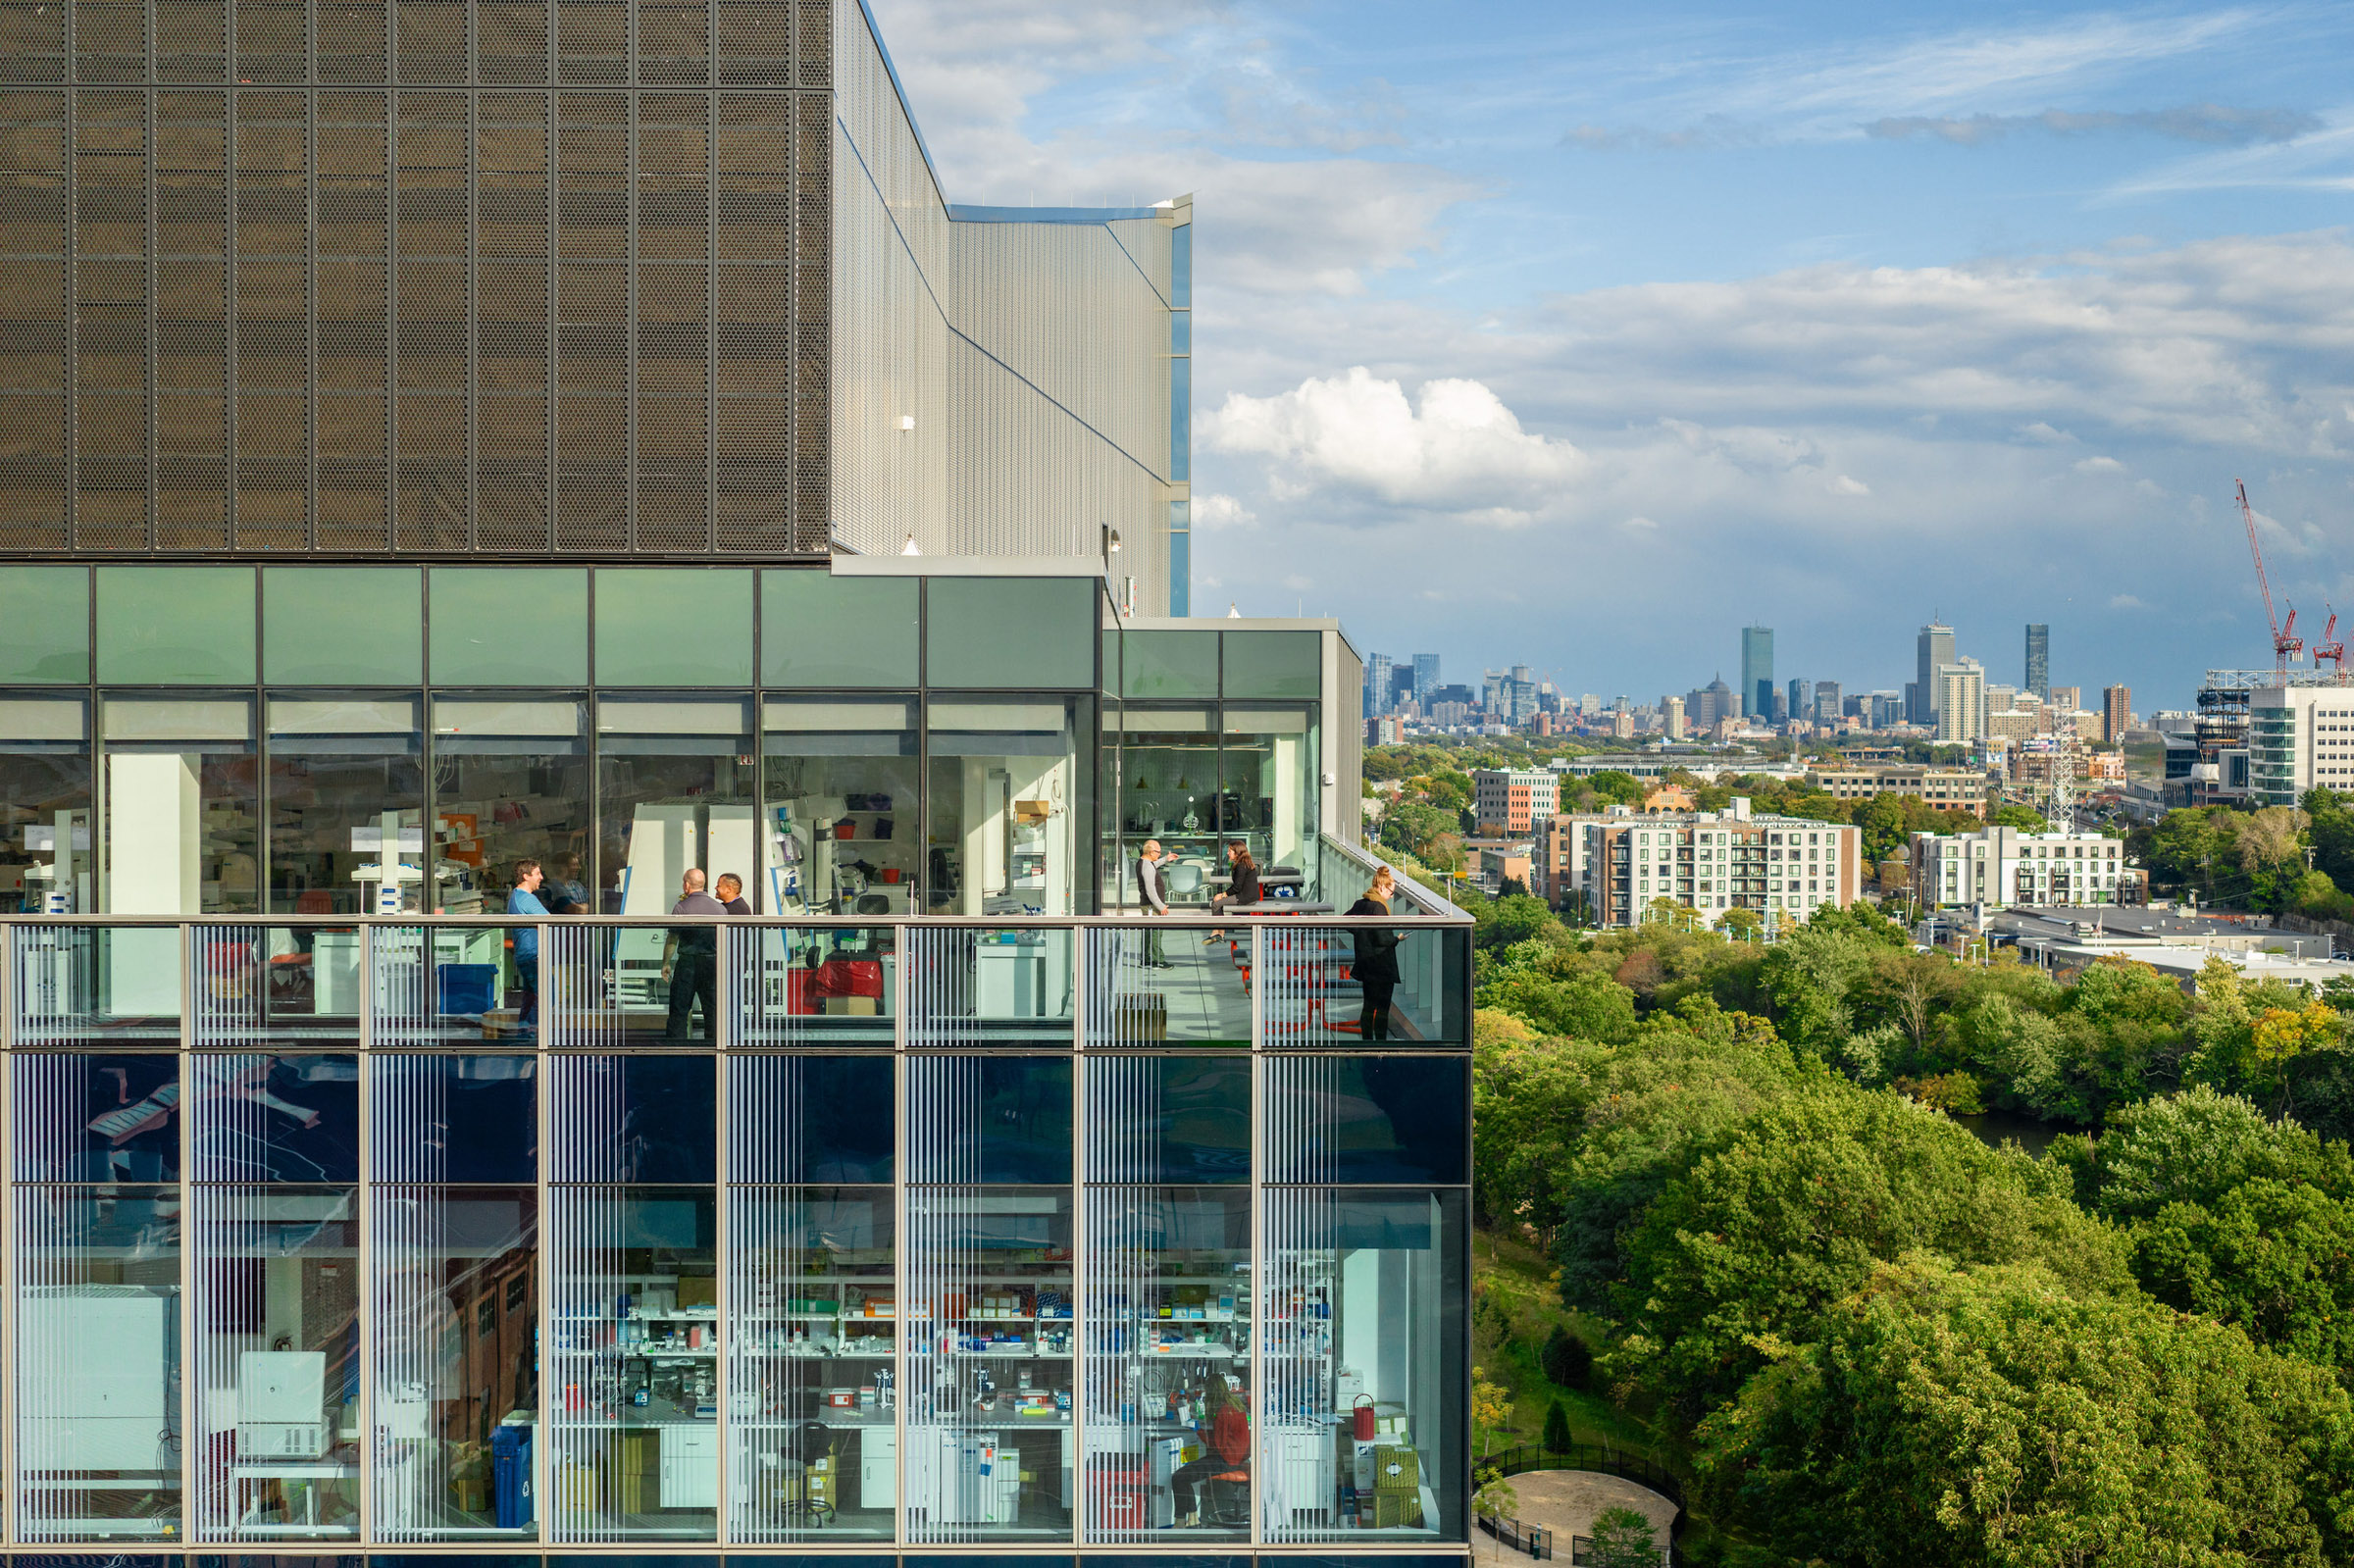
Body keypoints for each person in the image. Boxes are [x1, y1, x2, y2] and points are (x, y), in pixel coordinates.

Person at [1169, 1375, 1250, 1527]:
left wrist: (1198, 1430)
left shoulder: (1223, 1411)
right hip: (1235, 1458)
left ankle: (1180, 1521)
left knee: (1179, 1477)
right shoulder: (1235, 1406)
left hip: (1225, 1461)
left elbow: (1216, 1446)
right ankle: (1192, 1519)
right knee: (1184, 1477)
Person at [661, 869, 726, 1042]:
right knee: (712, 1010)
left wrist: (666, 963)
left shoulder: (681, 907)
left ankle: (676, 1049)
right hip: (712, 963)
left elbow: (672, 938)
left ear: (687, 885)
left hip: (688, 963)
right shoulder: (720, 909)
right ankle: (714, 1047)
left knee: (679, 1009)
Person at [1349, 866, 1404, 1041]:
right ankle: (1380, 1042)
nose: (1391, 896)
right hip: (1381, 965)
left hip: (1365, 963)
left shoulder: (1361, 903)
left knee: (1367, 1006)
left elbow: (1345, 920)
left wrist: (1362, 936)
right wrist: (1398, 939)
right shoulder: (1379, 908)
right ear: (1381, 887)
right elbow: (1383, 938)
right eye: (1391, 892)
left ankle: (1366, 1041)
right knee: (1382, 1009)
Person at [505, 858, 548, 1035]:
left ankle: (523, 1034)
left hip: (526, 954)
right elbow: (550, 921)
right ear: (525, 876)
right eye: (537, 873)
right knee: (546, 994)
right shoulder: (526, 899)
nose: (541, 878)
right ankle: (533, 1035)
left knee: (530, 997)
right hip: (532, 955)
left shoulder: (516, 897)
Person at [1205, 840, 1262, 943]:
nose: (1227, 853)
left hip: (1245, 897)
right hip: (1247, 896)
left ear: (1237, 852)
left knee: (1216, 904)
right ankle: (1219, 933)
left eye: (1230, 851)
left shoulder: (1241, 866)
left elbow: (1237, 887)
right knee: (1217, 902)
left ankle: (1218, 933)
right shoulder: (1244, 863)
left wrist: (1222, 895)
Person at [1135, 838, 1172, 969]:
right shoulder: (1147, 866)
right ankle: (1158, 960)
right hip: (1152, 906)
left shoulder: (1144, 863)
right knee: (1156, 932)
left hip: (1148, 904)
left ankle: (1145, 959)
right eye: (1158, 852)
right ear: (1151, 852)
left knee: (1147, 932)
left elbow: (1153, 865)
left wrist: (1166, 859)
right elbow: (1151, 890)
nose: (1159, 855)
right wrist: (1161, 906)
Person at [541, 850, 590, 915]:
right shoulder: (553, 887)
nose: (579, 867)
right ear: (563, 867)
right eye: (574, 865)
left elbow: (592, 906)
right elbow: (576, 910)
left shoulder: (578, 885)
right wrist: (583, 907)